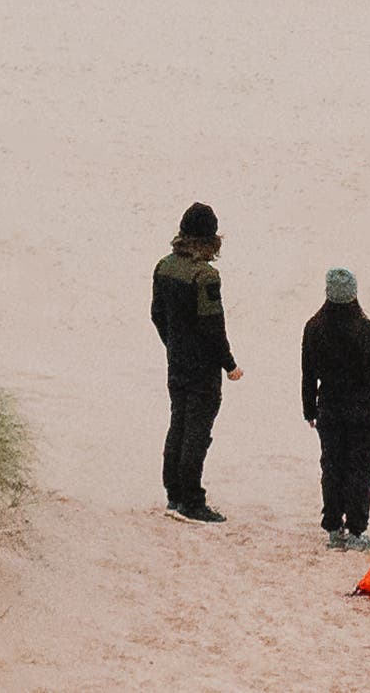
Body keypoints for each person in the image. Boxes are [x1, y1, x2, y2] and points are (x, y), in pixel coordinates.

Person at [150, 202, 240, 523]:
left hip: (176, 361)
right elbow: (213, 328)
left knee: (178, 423)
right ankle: (191, 499)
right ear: (209, 239)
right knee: (197, 431)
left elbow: (157, 315)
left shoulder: (163, 267)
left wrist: (173, 345)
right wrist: (228, 364)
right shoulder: (206, 277)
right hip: (202, 368)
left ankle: (174, 494)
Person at [300, 267, 370, 551]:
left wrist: (309, 410)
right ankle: (356, 531)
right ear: (353, 294)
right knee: (360, 471)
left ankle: (333, 528)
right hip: (362, 411)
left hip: (329, 408)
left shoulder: (313, 327)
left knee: (332, 467)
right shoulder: (365, 329)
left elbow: (308, 374)